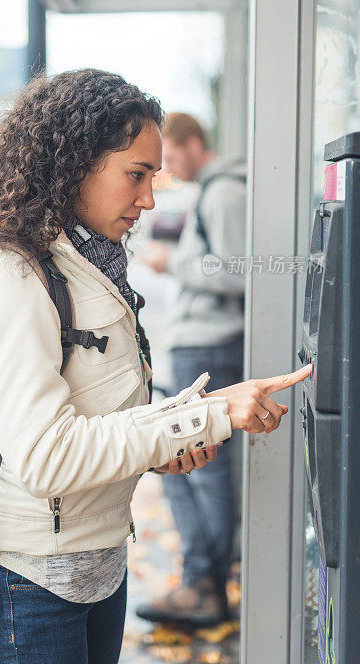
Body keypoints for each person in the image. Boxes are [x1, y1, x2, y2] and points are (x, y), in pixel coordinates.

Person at [0, 71, 310, 663]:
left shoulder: (87, 261)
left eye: (155, 176)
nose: (150, 198)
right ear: (75, 164)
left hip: (99, 563)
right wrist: (199, 418)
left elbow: (100, 415)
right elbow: (46, 454)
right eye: (136, 174)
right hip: (29, 581)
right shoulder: (12, 274)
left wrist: (165, 443)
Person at [139, 112, 247, 625]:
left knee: (203, 468)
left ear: (195, 144)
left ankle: (207, 582)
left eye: (173, 157)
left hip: (209, 346)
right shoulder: (214, 190)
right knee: (180, 463)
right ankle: (202, 576)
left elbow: (237, 268)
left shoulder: (222, 193)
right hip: (201, 345)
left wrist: (171, 263)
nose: (170, 171)